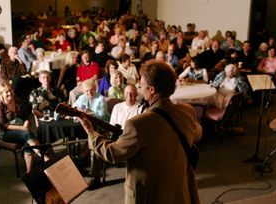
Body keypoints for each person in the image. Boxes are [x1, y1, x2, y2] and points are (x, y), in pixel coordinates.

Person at [77, 60, 202, 203]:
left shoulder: (138, 124)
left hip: (149, 195)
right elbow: (197, 133)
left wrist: (90, 132)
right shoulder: (187, 111)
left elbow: (113, 154)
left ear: (152, 89)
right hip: (180, 190)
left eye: (142, 85)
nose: (141, 89)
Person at [0, 82, 48, 173]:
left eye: (10, 90)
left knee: (27, 141)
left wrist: (26, 122)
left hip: (22, 131)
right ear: (1, 94)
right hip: (6, 133)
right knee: (28, 134)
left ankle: (29, 171)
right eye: (6, 92)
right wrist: (22, 128)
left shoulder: (18, 102)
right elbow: (4, 126)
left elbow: (26, 117)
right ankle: (45, 157)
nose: (9, 93)